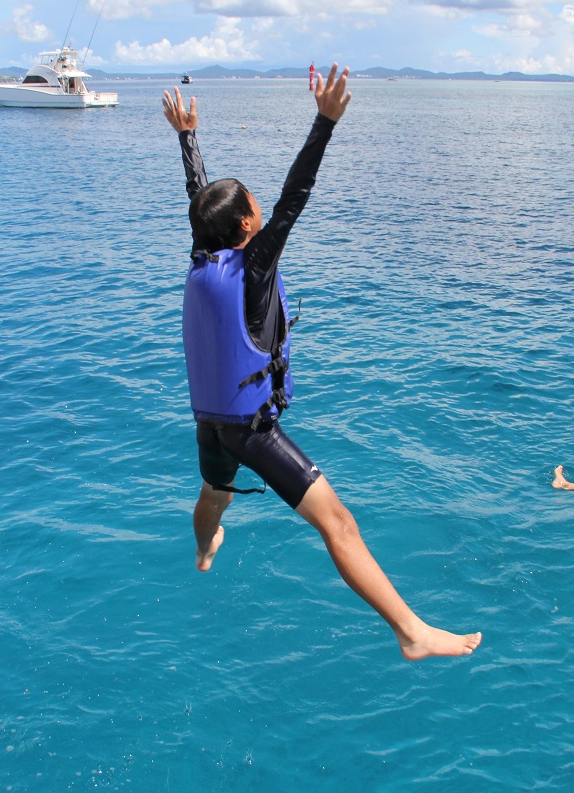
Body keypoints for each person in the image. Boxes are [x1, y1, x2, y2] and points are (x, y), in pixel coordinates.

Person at [162, 64, 481, 660]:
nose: (263, 211)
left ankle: (205, 550)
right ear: (249, 228)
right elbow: (294, 198)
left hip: (210, 424)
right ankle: (412, 633)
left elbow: (199, 202)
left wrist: (188, 139)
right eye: (255, 210)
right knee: (339, 524)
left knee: (214, 496)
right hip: (253, 430)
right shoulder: (253, 266)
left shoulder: (203, 254)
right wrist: (324, 123)